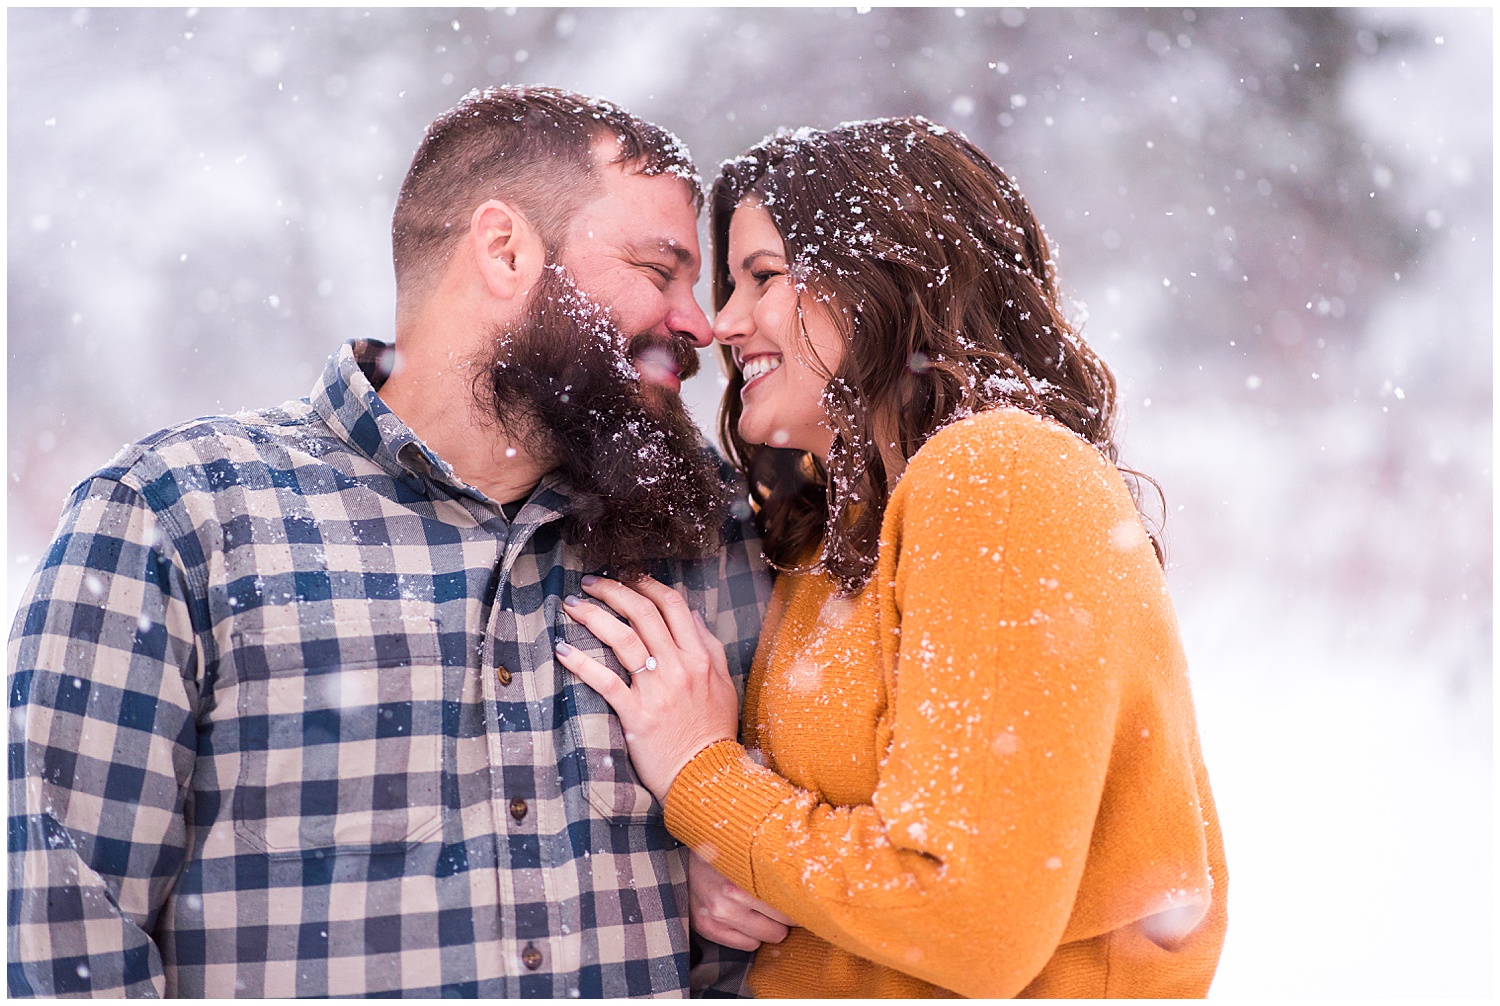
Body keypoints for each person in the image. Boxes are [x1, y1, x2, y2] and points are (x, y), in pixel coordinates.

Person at [7, 85, 771, 998]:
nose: (702, 324)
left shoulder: (711, 536)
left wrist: (743, 854)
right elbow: (62, 942)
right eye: (660, 270)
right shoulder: (182, 518)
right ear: (506, 249)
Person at [556, 117, 1229, 998]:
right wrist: (733, 867)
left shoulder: (1000, 475)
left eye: (762, 277)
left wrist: (702, 778)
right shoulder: (838, 534)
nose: (722, 325)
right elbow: (837, 849)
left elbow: (965, 915)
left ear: (884, 278)